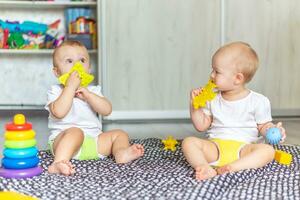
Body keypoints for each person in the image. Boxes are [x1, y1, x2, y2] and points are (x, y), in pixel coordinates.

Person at [182, 42, 286, 181]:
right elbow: (201, 126)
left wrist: (272, 130)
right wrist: (194, 105)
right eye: (212, 70)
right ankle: (203, 166)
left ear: (238, 78)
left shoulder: (258, 101)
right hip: (216, 148)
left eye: (217, 71)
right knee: (188, 142)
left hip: (244, 150)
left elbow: (263, 126)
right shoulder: (213, 99)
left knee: (267, 151)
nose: (211, 75)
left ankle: (233, 167)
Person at [45, 40, 144, 176]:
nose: (77, 66)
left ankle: (120, 153)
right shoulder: (56, 91)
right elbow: (59, 112)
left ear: (89, 68)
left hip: (94, 142)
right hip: (64, 142)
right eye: (69, 61)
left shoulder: (92, 91)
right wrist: (70, 87)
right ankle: (58, 163)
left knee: (119, 134)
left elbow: (107, 110)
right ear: (56, 72)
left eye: (82, 60)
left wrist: (89, 96)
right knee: (75, 132)